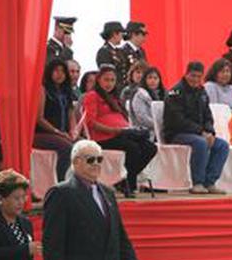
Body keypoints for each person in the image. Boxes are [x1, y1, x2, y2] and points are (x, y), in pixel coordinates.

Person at [83, 65, 157, 198]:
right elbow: (91, 122)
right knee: (133, 148)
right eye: (106, 80)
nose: (109, 83)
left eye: (112, 80)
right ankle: (128, 183)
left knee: (150, 147)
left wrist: (126, 130)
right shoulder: (92, 96)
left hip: (121, 134)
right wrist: (114, 130)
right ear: (99, 80)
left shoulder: (115, 97)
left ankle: (125, 179)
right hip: (103, 138)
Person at [163, 61, 229, 194]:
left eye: (199, 77)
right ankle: (197, 182)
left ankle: (209, 182)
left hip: (199, 133)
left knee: (222, 145)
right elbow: (178, 121)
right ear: (186, 74)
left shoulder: (202, 92)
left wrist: (210, 132)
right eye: (193, 76)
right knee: (200, 143)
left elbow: (208, 116)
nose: (195, 79)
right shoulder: (175, 92)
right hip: (177, 133)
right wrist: (201, 132)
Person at [34, 59, 77, 181]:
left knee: (87, 145)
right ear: (49, 72)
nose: (60, 74)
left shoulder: (66, 91)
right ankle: (61, 182)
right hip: (42, 133)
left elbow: (71, 114)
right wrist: (57, 132)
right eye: (56, 71)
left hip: (62, 133)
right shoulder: (42, 89)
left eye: (63, 71)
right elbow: (39, 118)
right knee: (67, 148)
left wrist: (73, 131)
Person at [125, 65, 165, 139]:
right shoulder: (139, 95)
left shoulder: (163, 94)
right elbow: (143, 118)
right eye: (149, 78)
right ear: (144, 80)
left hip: (160, 130)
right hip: (144, 132)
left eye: (155, 78)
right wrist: (160, 125)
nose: (153, 80)